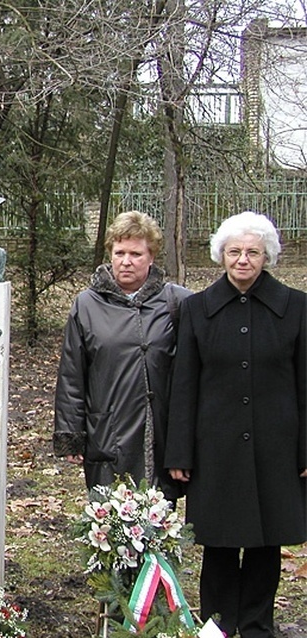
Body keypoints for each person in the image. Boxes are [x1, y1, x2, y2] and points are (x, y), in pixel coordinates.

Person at [165, 211, 306, 638]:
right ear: (220, 256)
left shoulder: (297, 308)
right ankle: (217, 627)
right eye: (234, 252)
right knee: (220, 546)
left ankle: (260, 627)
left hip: (276, 447)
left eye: (252, 252)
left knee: (267, 545)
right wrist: (179, 453)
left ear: (267, 257)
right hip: (216, 449)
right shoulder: (196, 310)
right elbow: (183, 385)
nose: (243, 260)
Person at [53, 211, 190, 498]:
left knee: (156, 525)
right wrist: (71, 435)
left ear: (151, 256)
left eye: (136, 254)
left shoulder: (176, 302)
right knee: (110, 523)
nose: (126, 261)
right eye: (120, 252)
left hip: (160, 432)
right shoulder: (87, 305)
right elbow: (72, 374)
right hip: (107, 430)